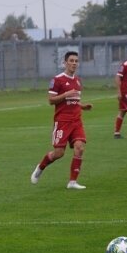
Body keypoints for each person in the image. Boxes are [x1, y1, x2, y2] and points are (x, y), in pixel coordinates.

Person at [30, 51, 93, 190]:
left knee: (80, 148)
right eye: (71, 60)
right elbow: (51, 100)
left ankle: (72, 182)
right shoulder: (57, 80)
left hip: (76, 121)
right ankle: (40, 167)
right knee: (59, 153)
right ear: (65, 63)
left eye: (76, 61)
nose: (74, 63)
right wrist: (65, 94)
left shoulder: (77, 80)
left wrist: (83, 106)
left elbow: (74, 100)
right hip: (62, 122)